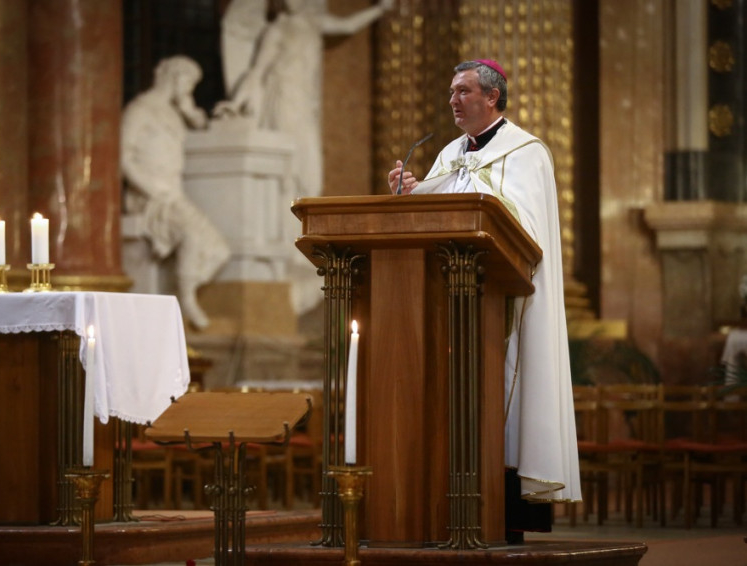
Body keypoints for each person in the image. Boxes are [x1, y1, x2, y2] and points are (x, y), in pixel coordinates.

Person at [388, 59, 582, 540]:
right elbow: (438, 214)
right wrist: (411, 195)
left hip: (501, 303)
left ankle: (504, 516)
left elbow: (526, 229)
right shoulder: (450, 153)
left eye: (463, 91)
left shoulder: (527, 152)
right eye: (452, 92)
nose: (452, 100)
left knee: (502, 399)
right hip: (449, 306)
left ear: (492, 97)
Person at [215, 0, 394, 199]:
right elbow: (257, 71)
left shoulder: (314, 22)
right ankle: (286, 204)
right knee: (290, 154)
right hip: (283, 96)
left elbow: (347, 25)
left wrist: (379, 10)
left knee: (308, 157)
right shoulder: (276, 30)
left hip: (304, 99)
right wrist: (236, 103)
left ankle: (305, 200)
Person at [121, 56, 230, 330]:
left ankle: (180, 284)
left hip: (173, 195)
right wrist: (150, 189)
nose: (189, 88)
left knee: (220, 250)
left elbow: (203, 127)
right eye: (188, 82)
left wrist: (188, 108)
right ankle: (187, 299)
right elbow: (124, 158)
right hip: (149, 198)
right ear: (173, 76)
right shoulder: (140, 110)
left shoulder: (173, 113)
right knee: (192, 234)